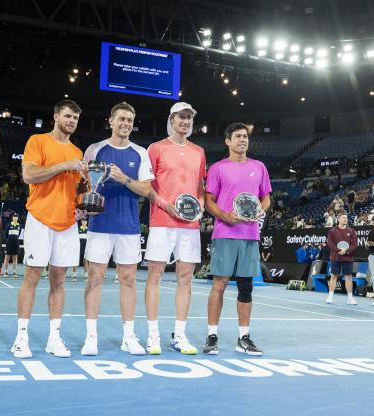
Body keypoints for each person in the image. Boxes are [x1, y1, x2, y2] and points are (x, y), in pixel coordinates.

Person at [11, 99, 88, 359]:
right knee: (32, 277)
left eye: (75, 118)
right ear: (55, 116)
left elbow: (80, 190)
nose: (71, 121)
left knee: (59, 280)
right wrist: (63, 166)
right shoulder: (38, 141)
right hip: (40, 218)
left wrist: (82, 207)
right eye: (67, 116)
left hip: (67, 223)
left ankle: (54, 338)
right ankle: (21, 337)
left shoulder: (78, 152)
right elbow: (29, 176)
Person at [80, 102, 153, 356]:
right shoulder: (95, 149)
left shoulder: (140, 153)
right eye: (121, 119)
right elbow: (84, 185)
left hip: (129, 226)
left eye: (130, 120)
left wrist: (123, 179)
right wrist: (83, 204)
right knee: (95, 278)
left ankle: (129, 337)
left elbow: (146, 190)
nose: (125, 124)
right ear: (110, 121)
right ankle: (91, 337)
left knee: (129, 280)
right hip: (99, 224)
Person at [203, 122, 270, 355]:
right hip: (225, 232)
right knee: (219, 285)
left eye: (245, 137)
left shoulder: (259, 167)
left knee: (246, 286)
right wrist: (225, 216)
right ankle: (212, 336)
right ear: (227, 141)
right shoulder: (218, 168)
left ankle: (244, 338)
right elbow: (208, 201)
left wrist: (261, 209)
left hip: (250, 235)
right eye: (238, 136)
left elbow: (266, 198)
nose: (243, 140)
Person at [144, 102, 206, 355]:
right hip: (161, 221)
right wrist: (164, 205)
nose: (185, 122)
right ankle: (152, 335)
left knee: (185, 278)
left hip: (190, 225)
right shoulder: (156, 148)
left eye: (189, 118)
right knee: (155, 277)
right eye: (181, 117)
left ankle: (179, 335)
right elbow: (146, 185)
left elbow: (200, 188)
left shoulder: (199, 152)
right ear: (171, 119)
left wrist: (199, 206)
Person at [326, 213, 358, 304]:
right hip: (335, 257)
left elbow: (354, 244)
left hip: (347, 258)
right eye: (343, 217)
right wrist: (338, 250)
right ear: (338, 219)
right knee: (334, 276)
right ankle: (330, 296)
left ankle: (350, 298)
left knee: (348, 277)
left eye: (346, 218)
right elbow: (330, 242)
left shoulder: (351, 231)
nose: (345, 219)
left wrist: (347, 251)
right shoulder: (332, 230)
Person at [2, 213, 22, 278]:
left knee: (15, 258)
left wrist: (14, 239)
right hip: (9, 243)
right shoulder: (9, 225)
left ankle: (14, 272)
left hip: (16, 243)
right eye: (14, 217)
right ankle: (5, 271)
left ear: (17, 218)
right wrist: (9, 239)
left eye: (16, 217)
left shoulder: (19, 226)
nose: (15, 218)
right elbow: (5, 235)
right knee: (7, 257)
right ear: (12, 218)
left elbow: (18, 234)